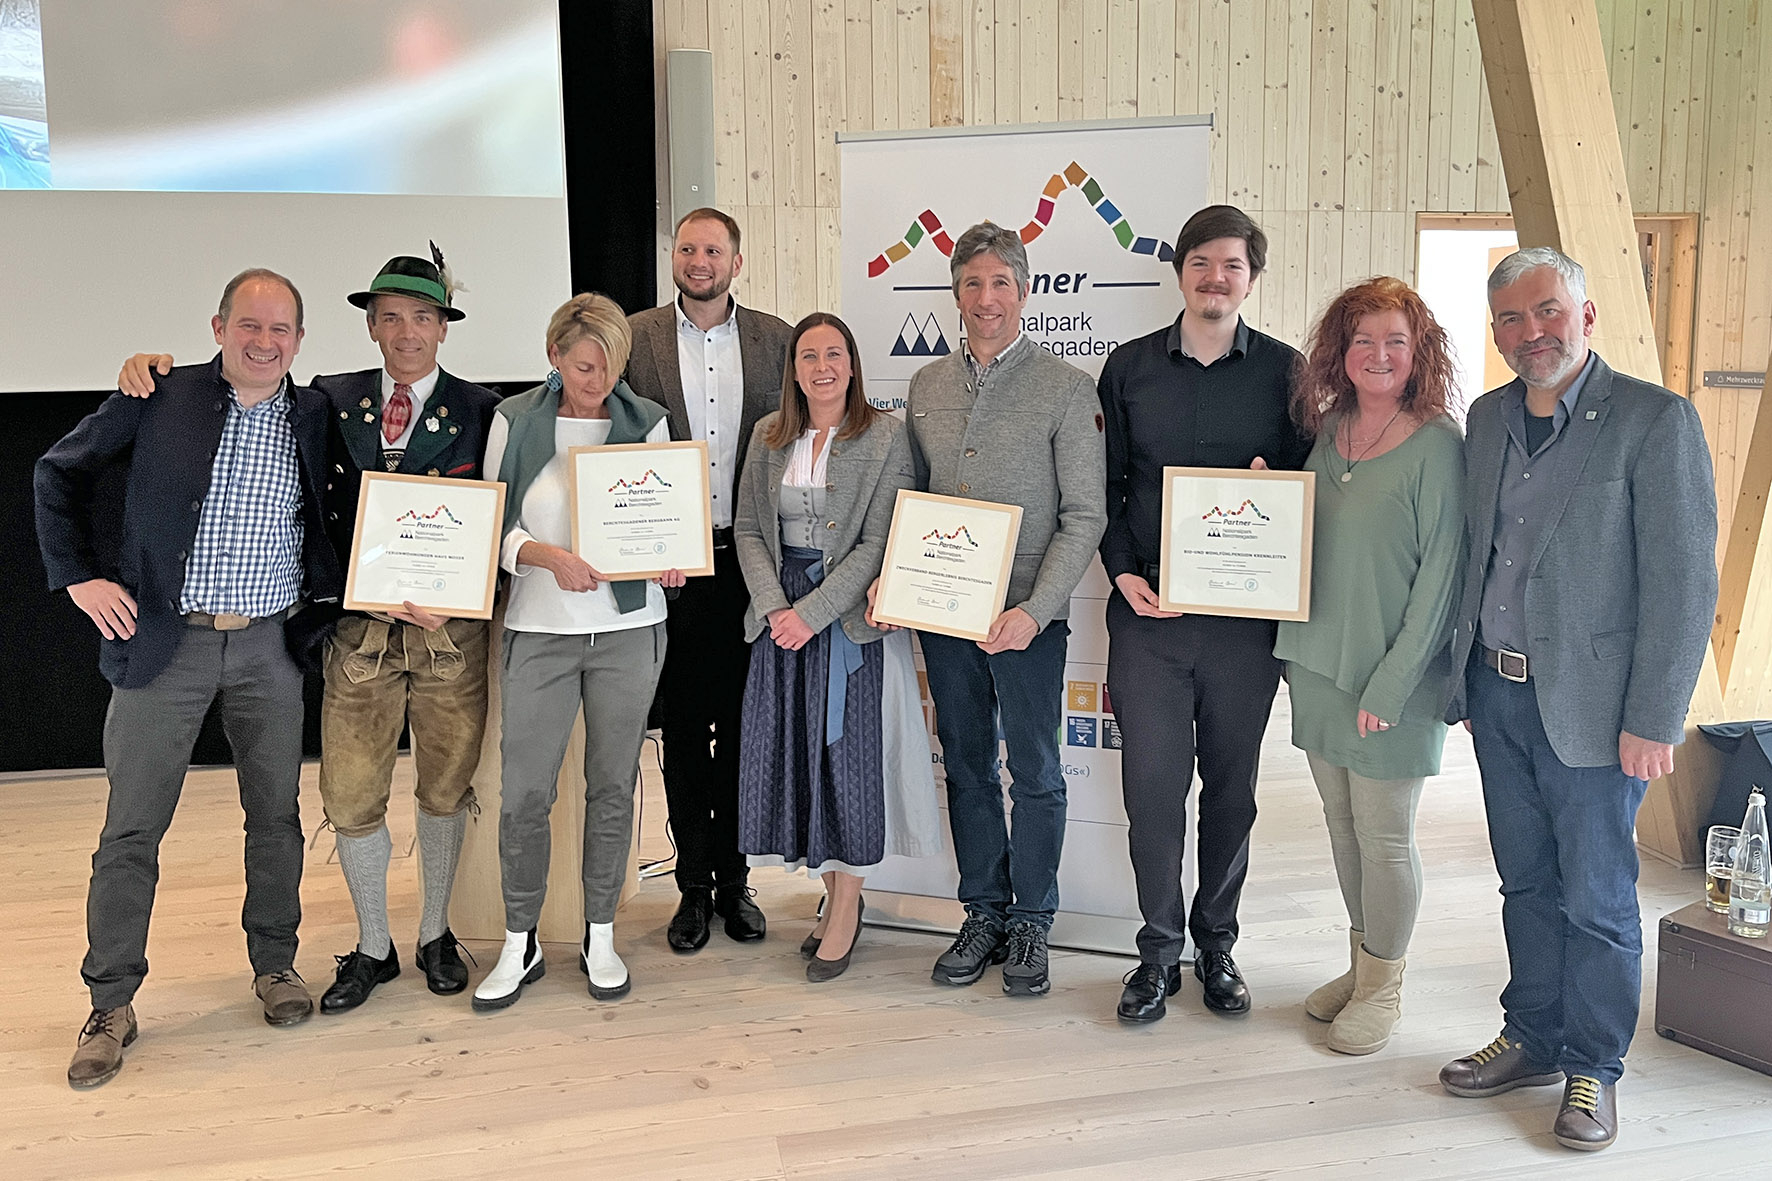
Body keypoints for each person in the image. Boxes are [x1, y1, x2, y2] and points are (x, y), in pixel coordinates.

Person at [115, 251, 499, 1015]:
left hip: (447, 635)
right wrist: (150, 365)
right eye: (390, 316)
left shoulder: (487, 409)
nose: (406, 331)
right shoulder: (327, 400)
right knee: (351, 793)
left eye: (422, 316)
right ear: (369, 325)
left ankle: (433, 933)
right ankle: (372, 945)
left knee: (444, 787)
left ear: (443, 328)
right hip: (355, 631)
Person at [1438, 248, 1717, 1152]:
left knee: (1596, 895)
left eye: (1548, 311)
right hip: (1497, 692)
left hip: (1599, 714)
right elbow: (1474, 554)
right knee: (1525, 881)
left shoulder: (1654, 420)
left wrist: (1655, 717)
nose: (1532, 334)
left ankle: (1594, 1066)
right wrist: (1466, 678)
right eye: (1512, 321)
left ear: (1585, 314)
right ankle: (1532, 1035)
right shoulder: (1485, 420)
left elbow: (1683, 585)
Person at [37, 269, 343, 1087]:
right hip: (163, 647)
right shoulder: (158, 394)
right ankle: (110, 1001)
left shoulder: (313, 413)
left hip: (269, 650)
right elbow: (56, 472)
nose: (265, 341)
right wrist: (79, 577)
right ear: (218, 325)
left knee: (275, 818)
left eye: (281, 330)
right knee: (130, 832)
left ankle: (276, 964)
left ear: (300, 342)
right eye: (250, 324)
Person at [872, 220, 1106, 997]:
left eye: (1000, 282)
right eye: (972, 283)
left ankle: (1032, 919)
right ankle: (984, 910)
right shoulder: (927, 386)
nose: (986, 297)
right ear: (956, 295)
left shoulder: (1068, 388)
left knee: (1036, 770)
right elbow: (908, 497)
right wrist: (892, 580)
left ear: (1025, 291)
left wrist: (1036, 611)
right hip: (945, 618)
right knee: (968, 765)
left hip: (1026, 621)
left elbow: (1084, 516)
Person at [1096, 205, 1310, 1024]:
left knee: (1232, 788)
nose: (1215, 279)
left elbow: (1307, 498)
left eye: (1232, 266)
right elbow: (1107, 489)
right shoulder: (1129, 368)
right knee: (1151, 789)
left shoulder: (1289, 375)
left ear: (1251, 277)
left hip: (1244, 631)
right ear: (1179, 272)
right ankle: (1156, 952)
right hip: (1148, 618)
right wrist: (1121, 573)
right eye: (1201, 264)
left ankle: (1216, 943)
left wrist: (1272, 493)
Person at [471, 293, 685, 1010]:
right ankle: (519, 937)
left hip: (629, 629)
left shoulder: (647, 423)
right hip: (540, 626)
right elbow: (490, 527)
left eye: (610, 365)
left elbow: (664, 525)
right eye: (583, 363)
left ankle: (600, 931)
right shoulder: (516, 421)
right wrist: (543, 555)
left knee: (613, 785)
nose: (597, 379)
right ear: (554, 356)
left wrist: (671, 558)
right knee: (525, 790)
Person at [1272, 277, 1465, 1055]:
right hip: (1318, 663)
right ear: (1339, 353)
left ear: (1418, 351)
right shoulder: (1329, 430)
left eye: (1394, 340)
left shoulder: (1438, 444)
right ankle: (1360, 965)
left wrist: (1391, 683)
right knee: (1343, 829)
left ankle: (1385, 985)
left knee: (1386, 837)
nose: (1378, 355)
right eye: (1362, 341)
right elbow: (1307, 530)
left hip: (1393, 677)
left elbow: (1442, 581)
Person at [733, 313, 941, 982]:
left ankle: (849, 905)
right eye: (807, 355)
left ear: (852, 364)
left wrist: (813, 613)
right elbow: (747, 530)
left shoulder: (885, 436)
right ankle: (830, 894)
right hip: (779, 618)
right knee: (801, 762)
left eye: (834, 353)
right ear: (793, 369)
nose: (821, 365)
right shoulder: (768, 436)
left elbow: (882, 541)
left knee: (848, 763)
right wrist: (774, 609)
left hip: (848, 622)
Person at [623, 208, 794, 952]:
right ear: (674, 257)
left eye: (713, 249)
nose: (699, 260)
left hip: (753, 563)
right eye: (687, 248)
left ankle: (737, 879)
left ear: (737, 259)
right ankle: (693, 885)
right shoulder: (635, 337)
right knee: (687, 733)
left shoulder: (777, 340)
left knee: (744, 728)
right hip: (673, 570)